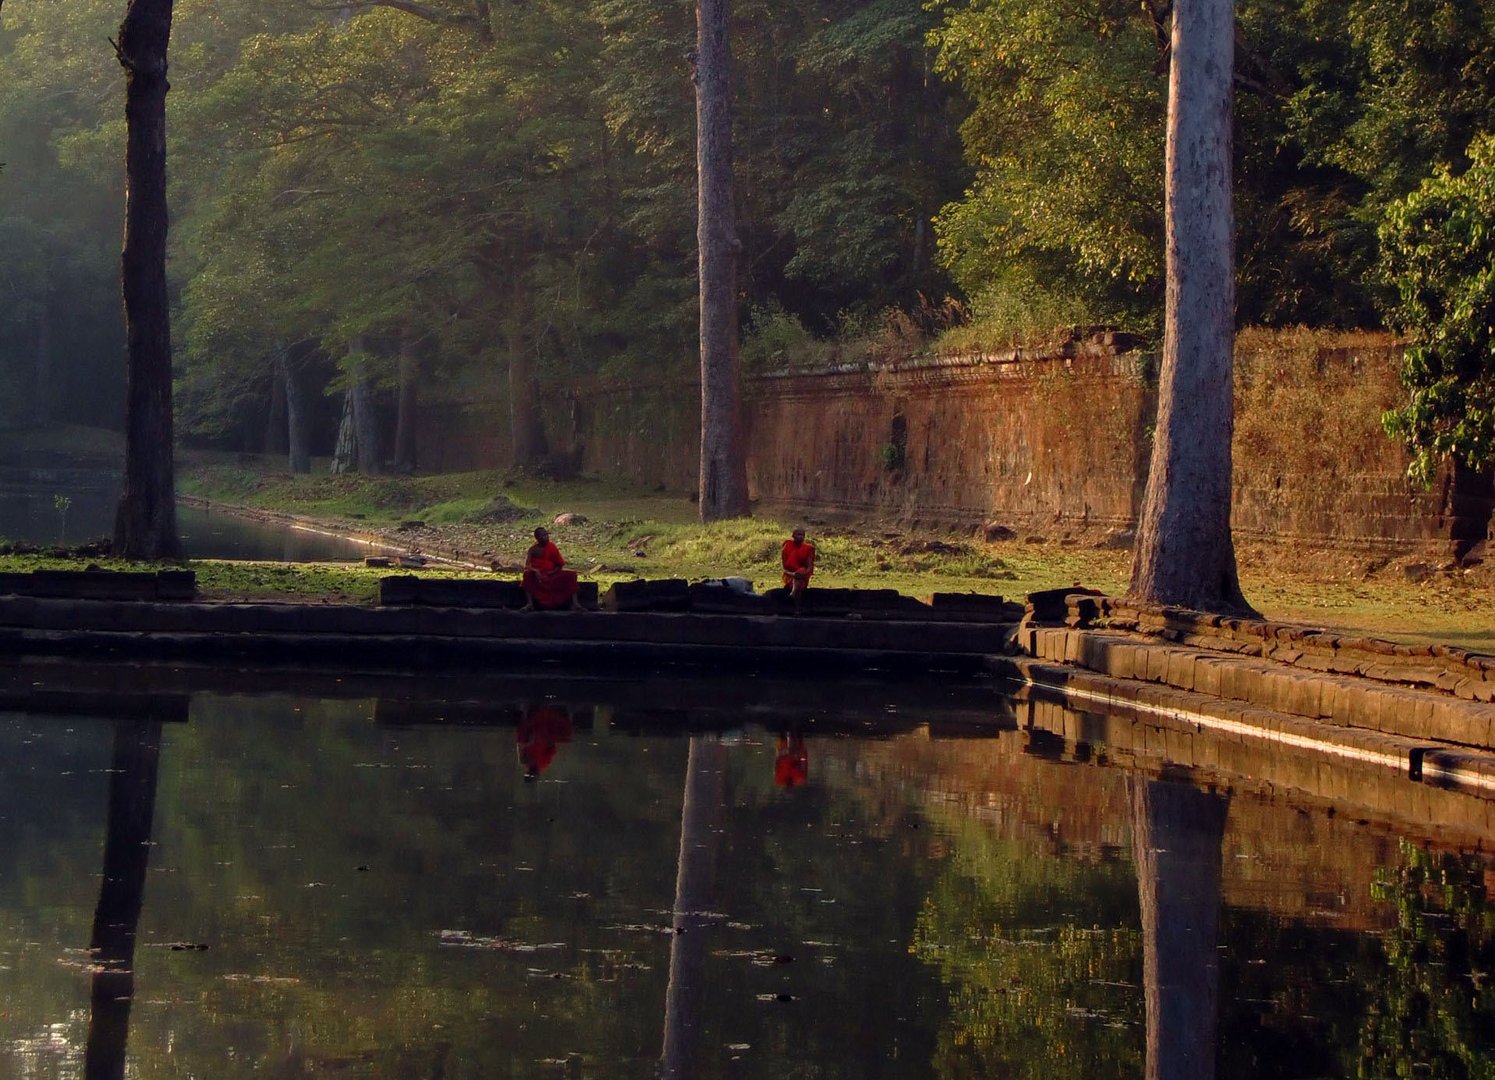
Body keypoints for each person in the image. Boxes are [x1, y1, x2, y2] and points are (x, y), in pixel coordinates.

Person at [520, 526, 582, 611]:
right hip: (539, 577)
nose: (546, 537)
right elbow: (527, 566)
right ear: (537, 538)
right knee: (527, 575)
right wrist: (535, 571)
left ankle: (575, 604)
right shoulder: (533, 549)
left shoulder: (551, 547)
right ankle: (530, 604)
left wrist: (552, 572)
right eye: (543, 535)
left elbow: (559, 564)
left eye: (546, 534)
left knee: (572, 575)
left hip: (552, 574)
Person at [781, 527, 816, 613]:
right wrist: (793, 574)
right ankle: (797, 608)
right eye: (799, 534)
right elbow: (784, 568)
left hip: (803, 575)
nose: (801, 537)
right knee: (799, 583)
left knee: (801, 573)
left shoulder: (808, 549)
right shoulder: (787, 546)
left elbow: (809, 567)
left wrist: (802, 574)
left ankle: (793, 597)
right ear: (793, 536)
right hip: (789, 575)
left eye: (803, 535)